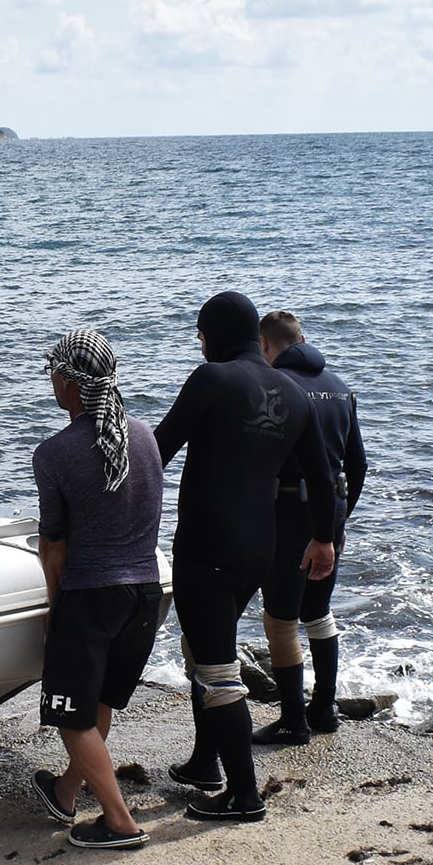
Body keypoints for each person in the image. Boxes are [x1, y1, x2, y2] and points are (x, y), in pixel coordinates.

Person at [153, 292, 337, 822]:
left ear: (213, 335)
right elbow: (323, 479)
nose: (200, 344)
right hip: (262, 548)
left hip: (207, 547)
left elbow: (157, 453)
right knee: (204, 647)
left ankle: (242, 795)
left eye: (200, 335)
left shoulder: (211, 380)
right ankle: (205, 762)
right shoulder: (295, 394)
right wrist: (323, 539)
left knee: (215, 667)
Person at [28, 329, 167, 851]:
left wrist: (52, 607)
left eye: (53, 374)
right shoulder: (147, 437)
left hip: (92, 596)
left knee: (69, 715)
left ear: (68, 383)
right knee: (97, 701)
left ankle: (119, 822)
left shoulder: (55, 454)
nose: (51, 383)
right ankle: (66, 791)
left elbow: (55, 547)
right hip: (145, 594)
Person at [252, 309, 368, 742]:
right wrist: (336, 521)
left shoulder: (277, 388)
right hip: (330, 516)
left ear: (265, 345)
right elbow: (358, 465)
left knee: (280, 619)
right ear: (301, 337)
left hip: (287, 514)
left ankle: (292, 721)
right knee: (318, 612)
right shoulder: (340, 388)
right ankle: (324, 708)